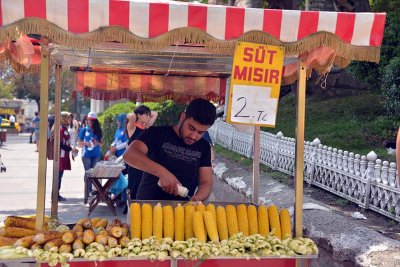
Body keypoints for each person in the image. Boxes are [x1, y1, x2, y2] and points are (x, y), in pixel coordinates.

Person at [123, 98, 216, 201]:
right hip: (148, 206)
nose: (194, 136)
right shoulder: (157, 133)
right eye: (191, 128)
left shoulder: (204, 147)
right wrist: (163, 173)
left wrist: (198, 198)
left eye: (200, 132)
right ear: (183, 117)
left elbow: (206, 182)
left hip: (182, 210)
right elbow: (130, 154)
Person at [125, 105, 158, 202]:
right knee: (133, 187)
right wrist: (138, 113)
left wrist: (145, 114)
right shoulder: (132, 127)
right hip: (134, 164)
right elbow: (131, 115)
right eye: (146, 115)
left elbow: (155, 114)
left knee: (142, 188)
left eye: (149, 115)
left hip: (144, 163)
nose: (149, 117)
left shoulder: (146, 128)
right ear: (139, 115)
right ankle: (130, 207)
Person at [78, 111, 103, 195]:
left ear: (95, 121)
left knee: (94, 173)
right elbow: (79, 143)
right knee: (88, 173)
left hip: (96, 155)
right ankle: (87, 191)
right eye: (89, 120)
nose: (90, 122)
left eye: (92, 120)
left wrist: (96, 142)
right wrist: (86, 143)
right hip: (86, 155)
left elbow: (102, 143)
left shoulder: (98, 130)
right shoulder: (84, 130)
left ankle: (92, 190)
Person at [54, 112, 73, 201]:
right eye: (68, 118)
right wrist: (70, 149)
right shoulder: (61, 129)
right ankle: (55, 195)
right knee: (58, 176)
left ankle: (56, 194)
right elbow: (60, 144)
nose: (70, 119)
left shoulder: (64, 128)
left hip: (64, 155)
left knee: (60, 175)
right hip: (61, 156)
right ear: (63, 119)